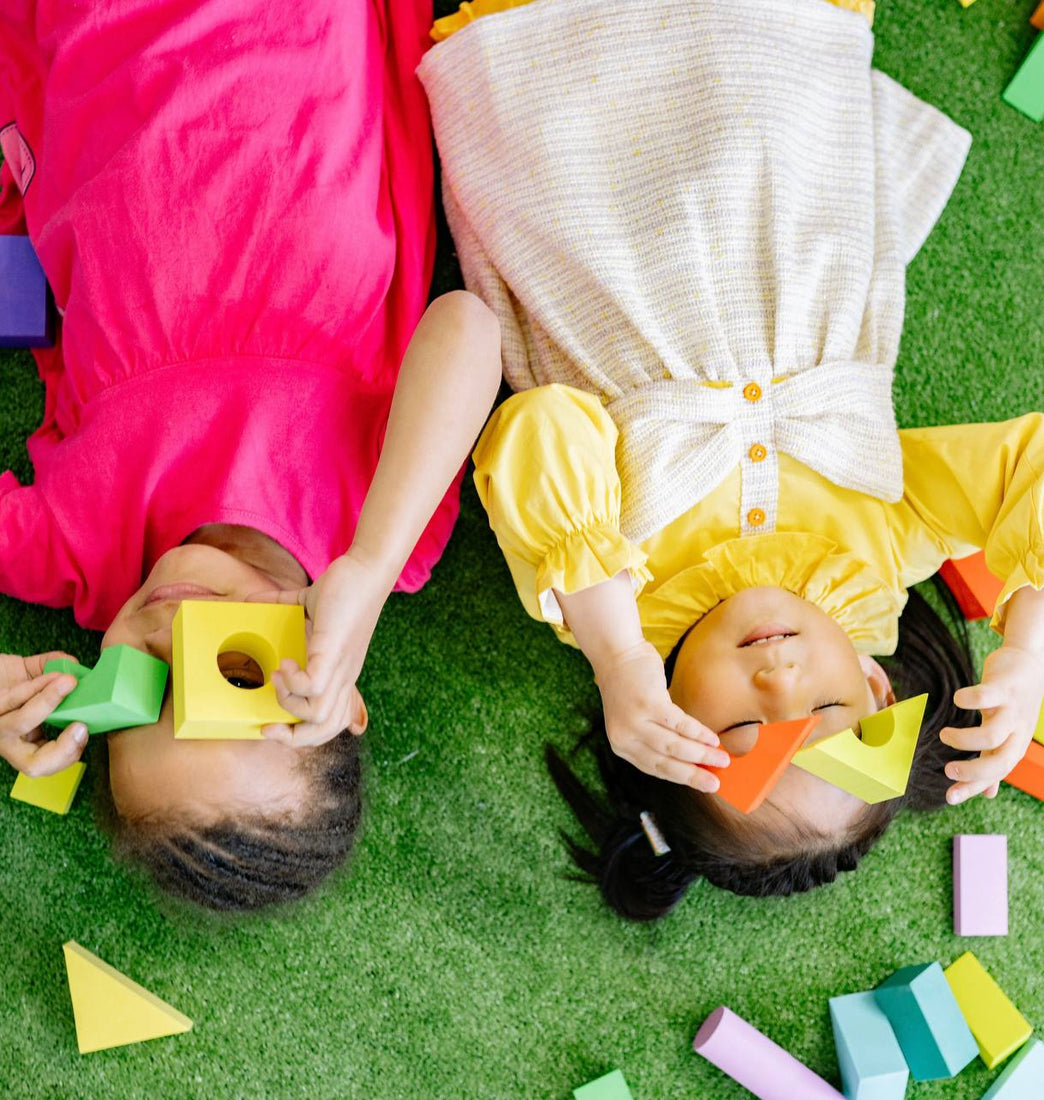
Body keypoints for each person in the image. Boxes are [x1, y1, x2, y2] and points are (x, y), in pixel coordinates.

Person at [418, 0, 1044, 917]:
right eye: (828, 712)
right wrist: (1027, 647)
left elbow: (537, 429)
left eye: (742, 725)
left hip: (572, 133)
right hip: (768, 99)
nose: (780, 679)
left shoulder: (604, 592)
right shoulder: (879, 555)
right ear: (876, 683)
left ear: (666, 720)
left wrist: (618, 654)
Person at [0, 0, 502, 911]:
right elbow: (468, 330)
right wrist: (366, 563)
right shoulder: (376, 529)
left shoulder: (77, 556)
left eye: (139, 691)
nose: (166, 635)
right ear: (342, 693)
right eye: (226, 674)